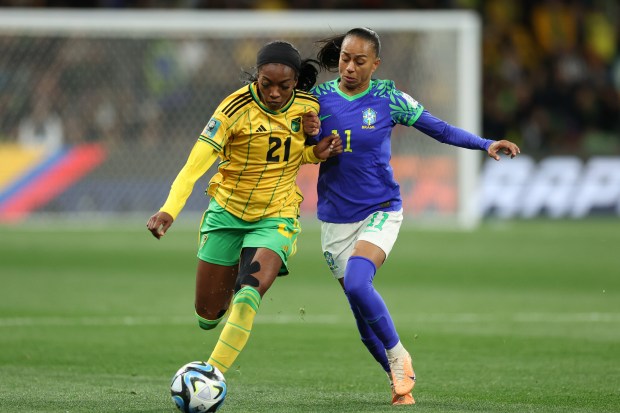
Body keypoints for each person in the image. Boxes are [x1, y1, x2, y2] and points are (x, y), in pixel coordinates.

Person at [304, 28, 520, 406]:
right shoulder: (317, 99)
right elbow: (301, 148)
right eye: (344, 59)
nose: (350, 67)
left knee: (358, 283)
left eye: (359, 61)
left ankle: (399, 354)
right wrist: (313, 143)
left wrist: (485, 143)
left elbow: (439, 128)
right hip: (335, 217)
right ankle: (397, 381)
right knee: (360, 317)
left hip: (381, 209)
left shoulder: (388, 97)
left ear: (376, 64)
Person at [147, 40, 342, 376]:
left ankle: (210, 375)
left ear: (296, 81)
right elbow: (195, 166)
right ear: (256, 77)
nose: (276, 93)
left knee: (248, 292)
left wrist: (316, 151)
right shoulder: (232, 109)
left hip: (276, 216)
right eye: (267, 84)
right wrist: (169, 210)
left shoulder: (308, 107)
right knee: (207, 316)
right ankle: (236, 259)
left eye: (284, 85)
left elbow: (295, 154)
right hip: (226, 214)